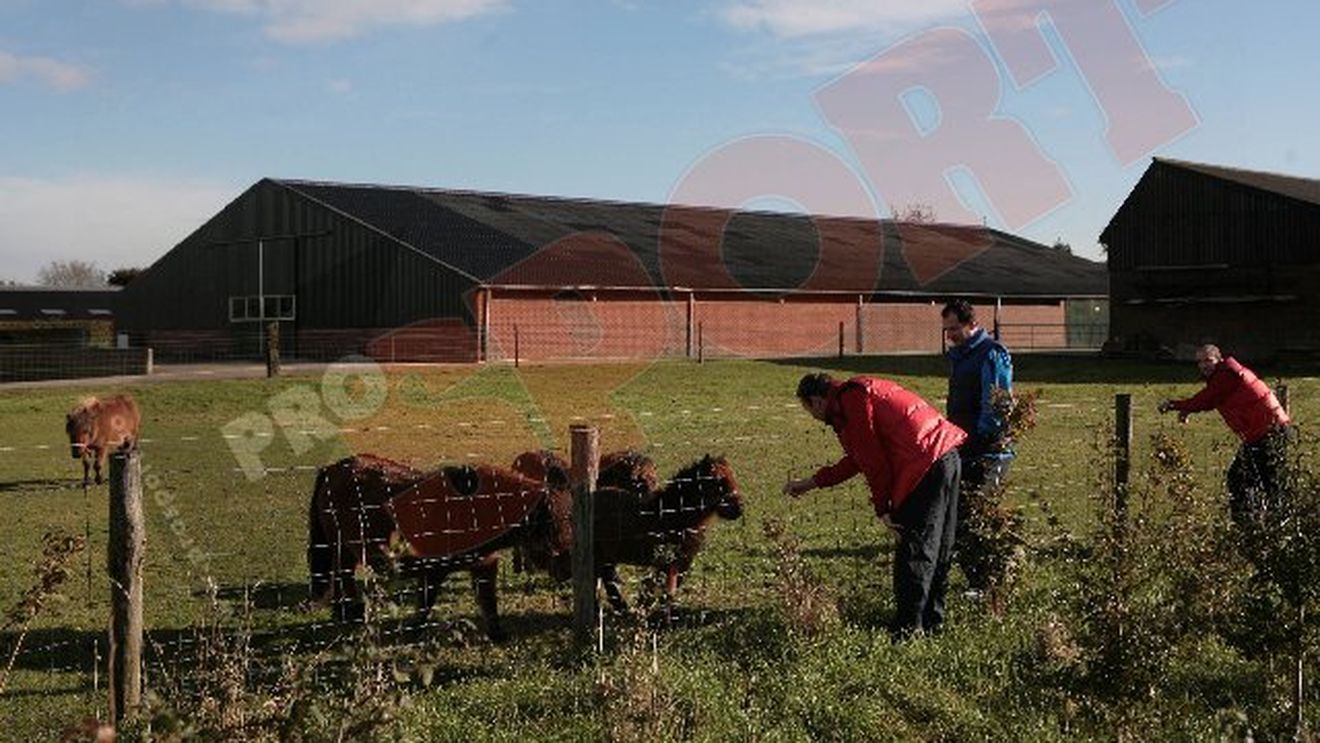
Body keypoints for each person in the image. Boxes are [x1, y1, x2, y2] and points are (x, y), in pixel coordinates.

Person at [783, 372, 966, 639]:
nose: (812, 416)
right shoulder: (857, 392)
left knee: (915, 548)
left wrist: (884, 508)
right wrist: (810, 483)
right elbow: (858, 458)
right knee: (939, 544)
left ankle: (908, 628)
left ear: (817, 401)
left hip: (923, 463)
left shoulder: (851, 402)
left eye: (808, 408)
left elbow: (872, 460)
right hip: (946, 454)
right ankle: (932, 620)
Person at [1157, 344, 1292, 542]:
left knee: (1243, 479)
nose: (1204, 365)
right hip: (1266, 431)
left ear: (1218, 359)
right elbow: (1211, 398)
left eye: (1208, 360)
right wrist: (1188, 409)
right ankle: (1268, 528)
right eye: (1200, 362)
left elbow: (1206, 400)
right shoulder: (1226, 375)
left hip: (1267, 433)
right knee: (1263, 482)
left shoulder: (1226, 375)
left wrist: (1173, 405)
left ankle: (1250, 530)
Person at [941, 300, 1014, 591]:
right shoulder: (960, 356)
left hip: (985, 449)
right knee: (962, 514)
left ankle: (986, 583)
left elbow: (997, 402)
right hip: (962, 445)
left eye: (954, 329)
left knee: (972, 516)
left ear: (972, 324)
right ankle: (985, 580)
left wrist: (986, 439)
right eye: (946, 330)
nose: (950, 335)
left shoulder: (990, 353)